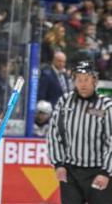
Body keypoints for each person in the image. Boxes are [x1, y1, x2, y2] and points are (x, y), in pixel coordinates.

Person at [48, 61, 112, 203]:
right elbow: (54, 133)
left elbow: (111, 140)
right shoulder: (64, 102)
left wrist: (106, 172)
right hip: (71, 172)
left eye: (87, 79)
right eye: (79, 79)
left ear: (94, 80)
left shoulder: (106, 105)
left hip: (98, 171)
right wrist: (58, 164)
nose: (83, 84)